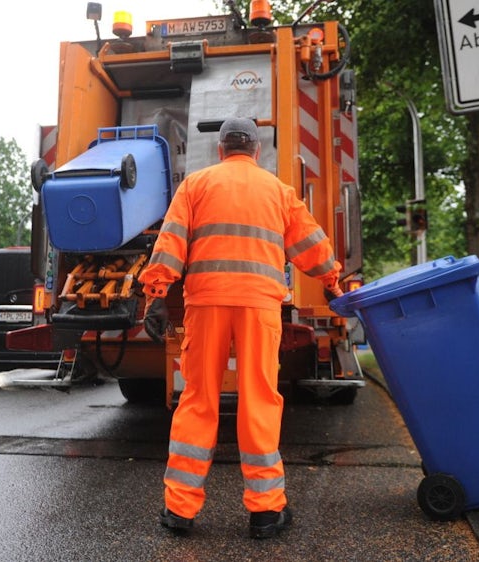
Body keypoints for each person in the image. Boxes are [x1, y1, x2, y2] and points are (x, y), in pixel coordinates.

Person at [137, 117, 343, 539]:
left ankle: (180, 511)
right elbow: (312, 246)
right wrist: (332, 282)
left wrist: (156, 294)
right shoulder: (278, 191)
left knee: (197, 399)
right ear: (256, 150)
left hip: (206, 304)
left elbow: (171, 241)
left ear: (220, 149)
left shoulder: (195, 185)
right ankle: (266, 512)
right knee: (258, 399)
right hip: (258, 307)